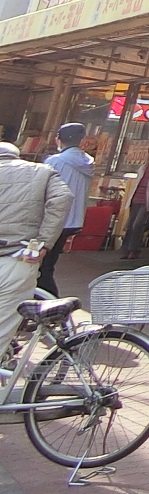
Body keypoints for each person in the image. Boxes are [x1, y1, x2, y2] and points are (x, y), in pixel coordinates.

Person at [0, 139, 72, 352]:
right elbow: (63, 197)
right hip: (19, 258)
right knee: (3, 326)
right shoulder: (41, 171)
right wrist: (43, 243)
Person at [38, 123, 93, 295]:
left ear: (58, 139)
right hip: (73, 220)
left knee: (41, 266)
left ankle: (51, 301)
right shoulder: (88, 162)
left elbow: (41, 190)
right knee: (47, 265)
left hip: (52, 220)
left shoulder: (54, 161)